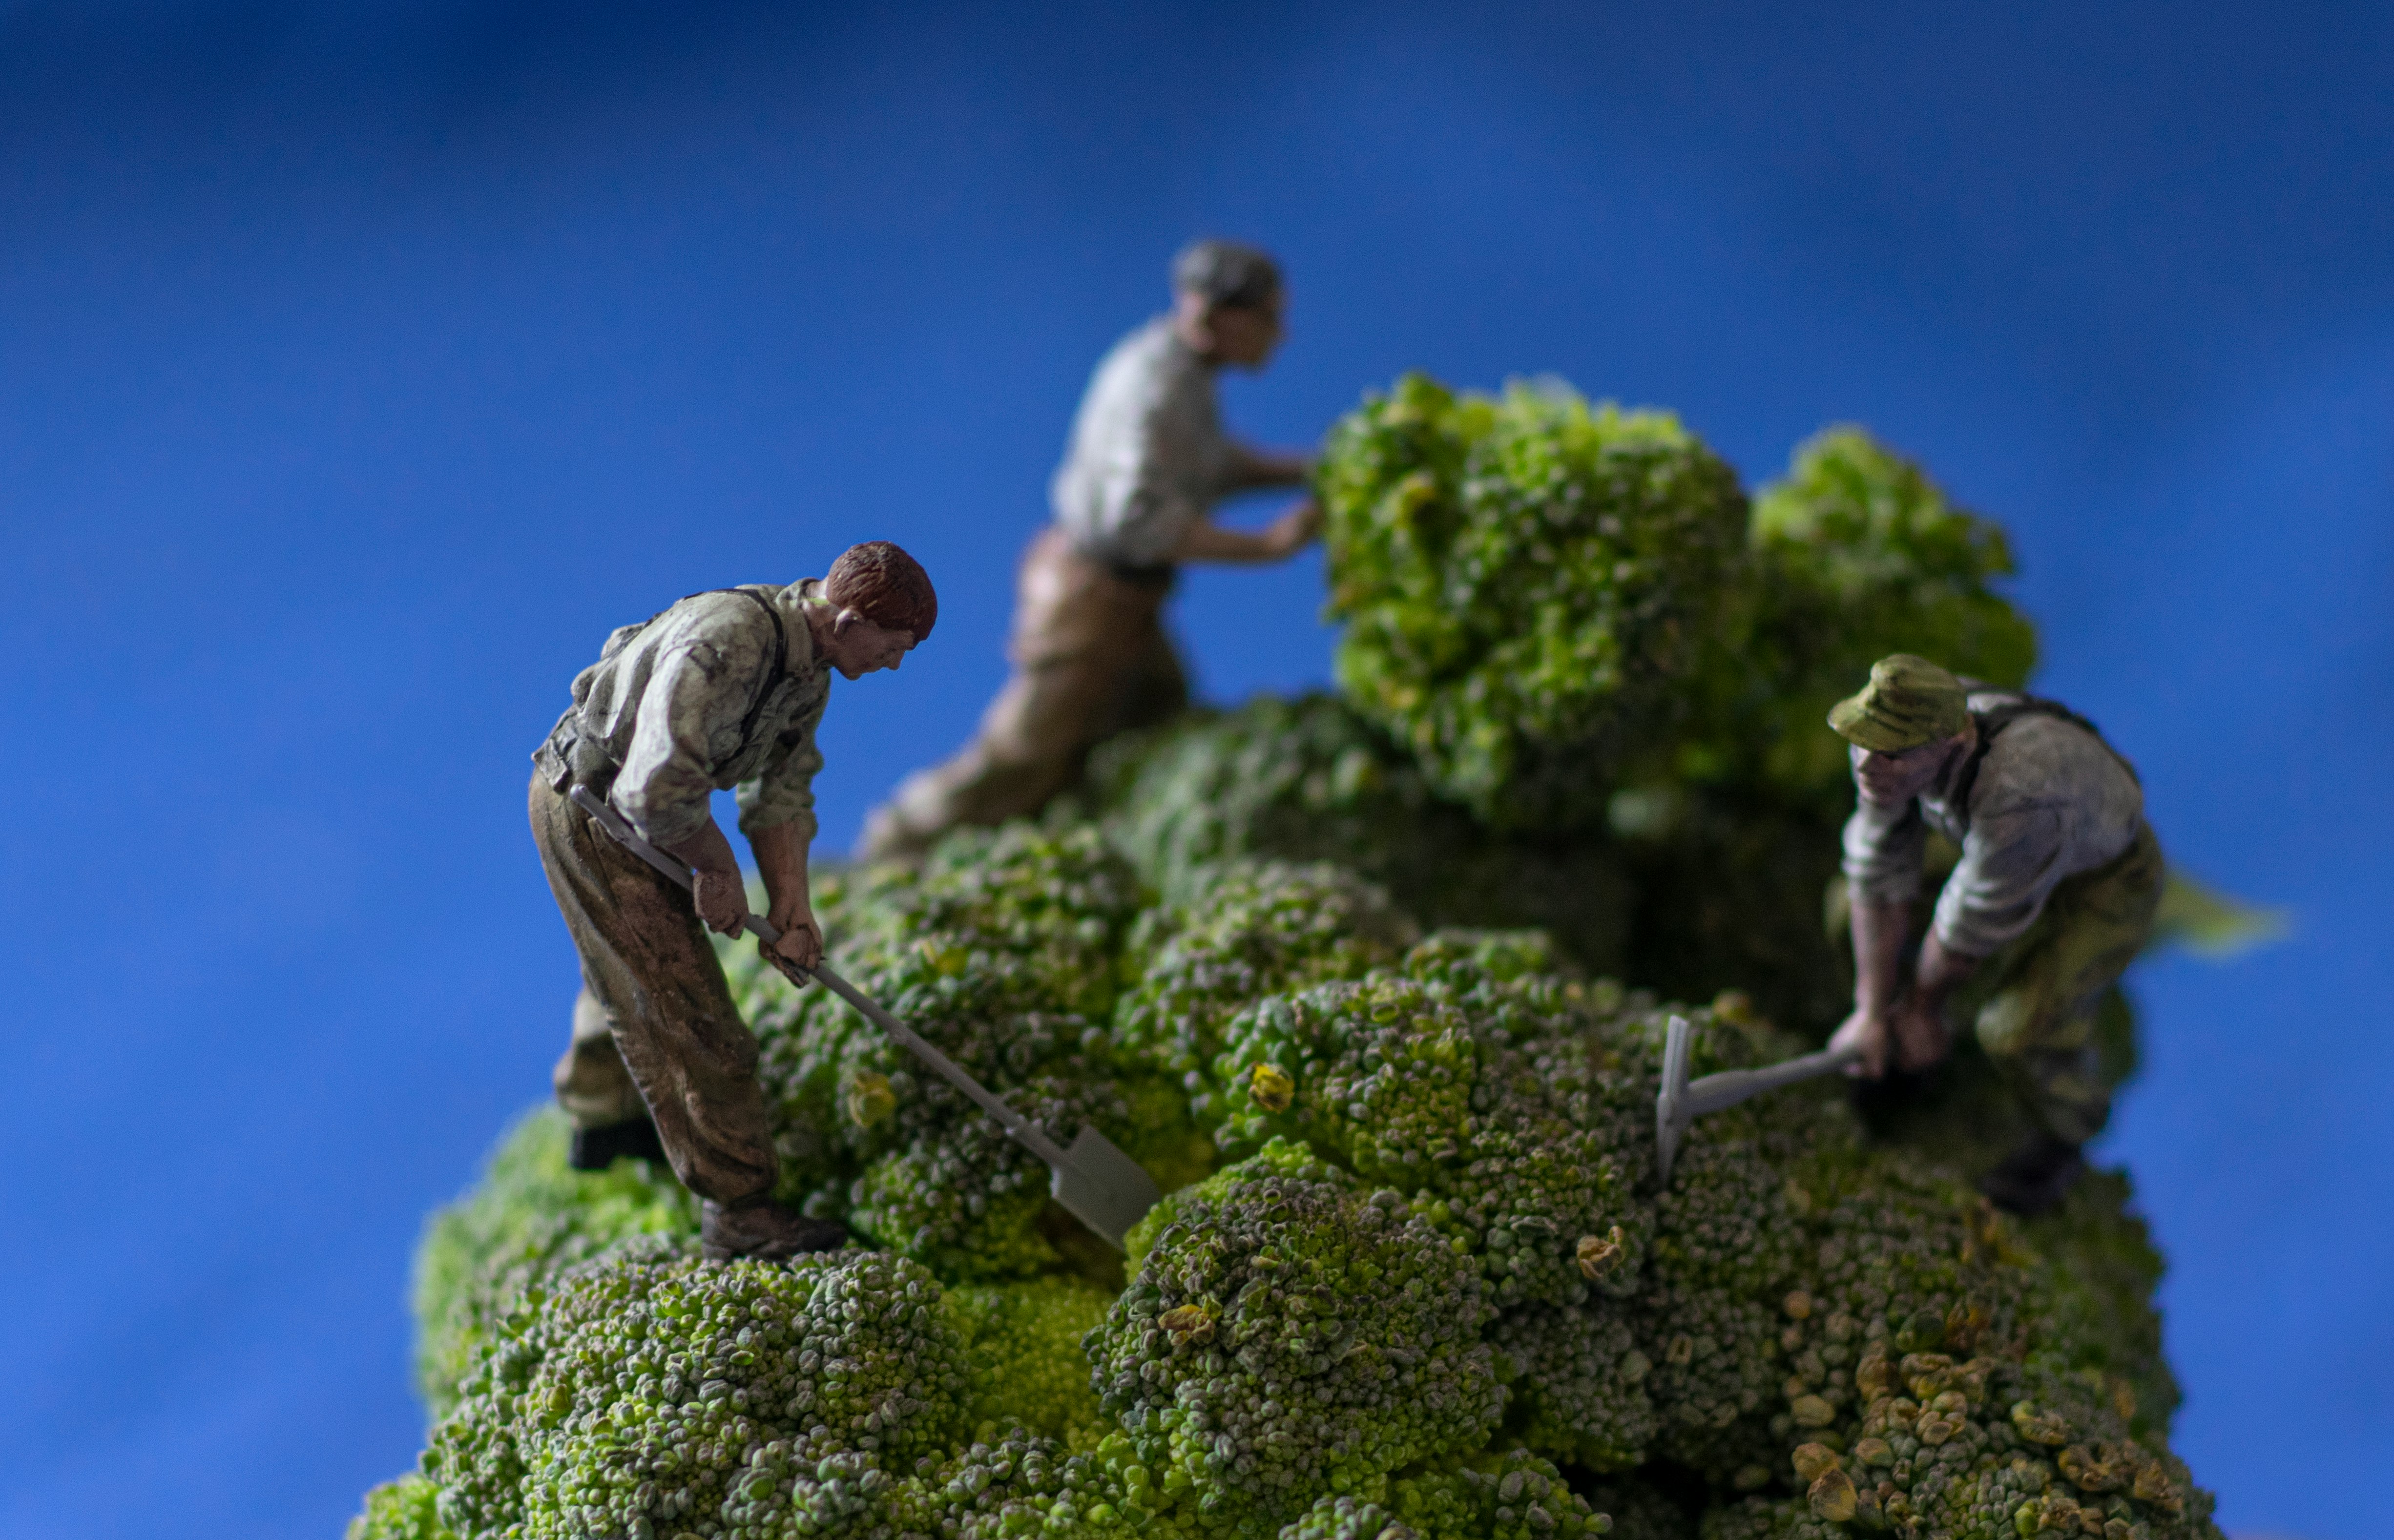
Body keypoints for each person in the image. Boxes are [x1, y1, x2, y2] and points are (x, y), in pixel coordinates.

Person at [529, 541, 938, 1259]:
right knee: (696, 1020)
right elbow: (653, 790)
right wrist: (716, 867)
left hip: (648, 814)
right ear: (846, 619)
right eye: (892, 646)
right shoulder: (729, 643)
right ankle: (740, 1212)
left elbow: (778, 793)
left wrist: (793, 907)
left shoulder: (810, 669)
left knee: (633, 968)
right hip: (595, 811)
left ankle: (603, 1116)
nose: (894, 664)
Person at [859, 239, 1320, 863]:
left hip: (1128, 600)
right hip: (1090, 598)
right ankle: (894, 845)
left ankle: (1091, 846)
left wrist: (1303, 471)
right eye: (1268, 316)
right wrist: (1265, 546)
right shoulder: (1154, 387)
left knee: (1155, 716)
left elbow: (1205, 465)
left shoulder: (1185, 374)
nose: (1279, 334)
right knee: (1022, 753)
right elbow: (1139, 521)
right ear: (1218, 315)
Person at [1825, 653, 2164, 1215]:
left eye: (1890, 752)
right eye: (1864, 742)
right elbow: (1875, 871)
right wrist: (1871, 1008)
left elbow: (1969, 926)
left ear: (1950, 743)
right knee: (1844, 907)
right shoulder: (1889, 751)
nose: (1867, 766)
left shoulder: (2022, 794)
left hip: (2104, 879)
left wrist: (1922, 1007)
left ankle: (2067, 1133)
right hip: (1976, 831)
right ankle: (1892, 1048)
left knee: (2017, 1030)